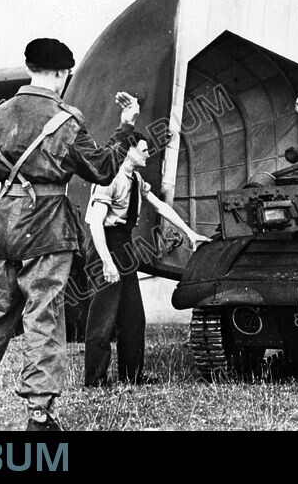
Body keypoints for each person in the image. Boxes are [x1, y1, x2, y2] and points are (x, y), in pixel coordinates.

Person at [0, 38, 139, 432]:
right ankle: (39, 418)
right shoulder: (65, 121)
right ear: (65, 73)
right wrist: (126, 126)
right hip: (47, 235)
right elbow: (101, 169)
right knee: (43, 320)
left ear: (29, 66)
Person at [84, 133, 210, 387]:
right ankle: (95, 380)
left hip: (124, 246)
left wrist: (189, 233)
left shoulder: (136, 179)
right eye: (143, 149)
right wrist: (107, 262)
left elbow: (161, 207)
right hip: (105, 245)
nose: (147, 154)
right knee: (103, 317)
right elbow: (95, 224)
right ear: (128, 151)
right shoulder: (109, 179)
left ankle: (132, 375)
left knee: (133, 316)